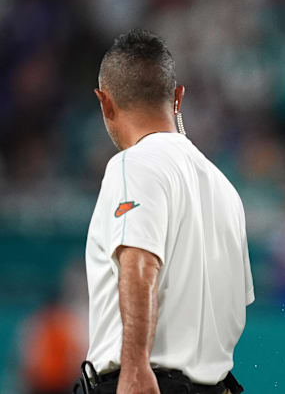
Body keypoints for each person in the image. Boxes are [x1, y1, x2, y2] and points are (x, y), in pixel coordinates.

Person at [80, 29, 252, 394]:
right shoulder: (226, 189)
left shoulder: (133, 165)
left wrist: (136, 367)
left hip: (146, 383)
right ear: (178, 98)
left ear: (104, 102)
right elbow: (235, 308)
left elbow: (139, 264)